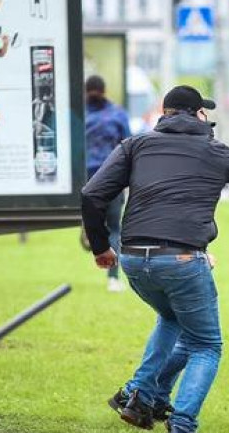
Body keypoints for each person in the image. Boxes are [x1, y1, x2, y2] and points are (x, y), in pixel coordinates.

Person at [82, 85, 229, 433]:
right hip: (183, 259)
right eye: (205, 113)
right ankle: (182, 429)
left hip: (134, 258)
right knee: (206, 345)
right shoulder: (213, 150)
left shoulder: (135, 145)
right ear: (197, 114)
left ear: (165, 113)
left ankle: (139, 396)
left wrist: (102, 246)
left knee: (171, 319)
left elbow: (92, 194)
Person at [84, 75, 131, 292]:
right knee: (114, 228)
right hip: (112, 180)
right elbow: (128, 146)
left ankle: (88, 231)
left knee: (99, 224)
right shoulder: (117, 114)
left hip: (84, 179)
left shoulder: (78, 114)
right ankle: (113, 277)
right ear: (105, 90)